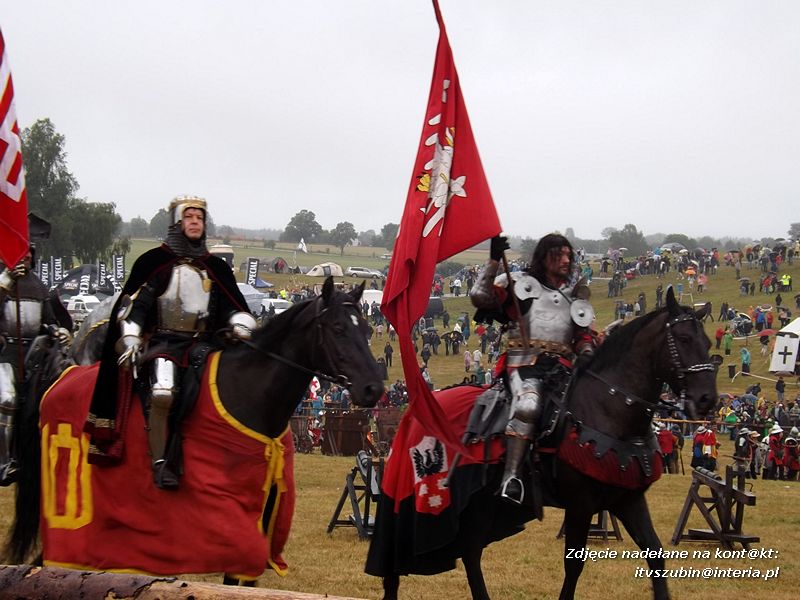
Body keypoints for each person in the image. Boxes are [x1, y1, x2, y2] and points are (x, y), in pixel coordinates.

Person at [84, 196, 253, 489]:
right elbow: (135, 306)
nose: (195, 222)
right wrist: (132, 336)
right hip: (164, 343)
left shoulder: (215, 268)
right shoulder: (155, 263)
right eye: (189, 217)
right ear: (177, 223)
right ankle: (161, 463)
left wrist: (239, 322)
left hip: (204, 345)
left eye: (199, 217)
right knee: (163, 392)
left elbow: (231, 306)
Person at [470, 234, 596, 504]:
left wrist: (586, 352)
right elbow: (480, 296)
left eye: (567, 255)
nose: (565, 260)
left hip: (563, 369)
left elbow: (582, 336)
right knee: (528, 405)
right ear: (543, 257)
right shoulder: (521, 285)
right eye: (558, 255)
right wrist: (494, 260)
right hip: (524, 363)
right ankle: (511, 478)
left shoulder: (573, 295)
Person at [0, 248, 71, 485]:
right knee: (8, 399)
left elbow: (47, 321)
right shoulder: (2, 280)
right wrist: (5, 283)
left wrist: (57, 331)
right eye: (21, 251)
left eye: (29, 252)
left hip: (34, 355)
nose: (26, 256)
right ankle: (4, 462)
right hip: (4, 352)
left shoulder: (39, 286)